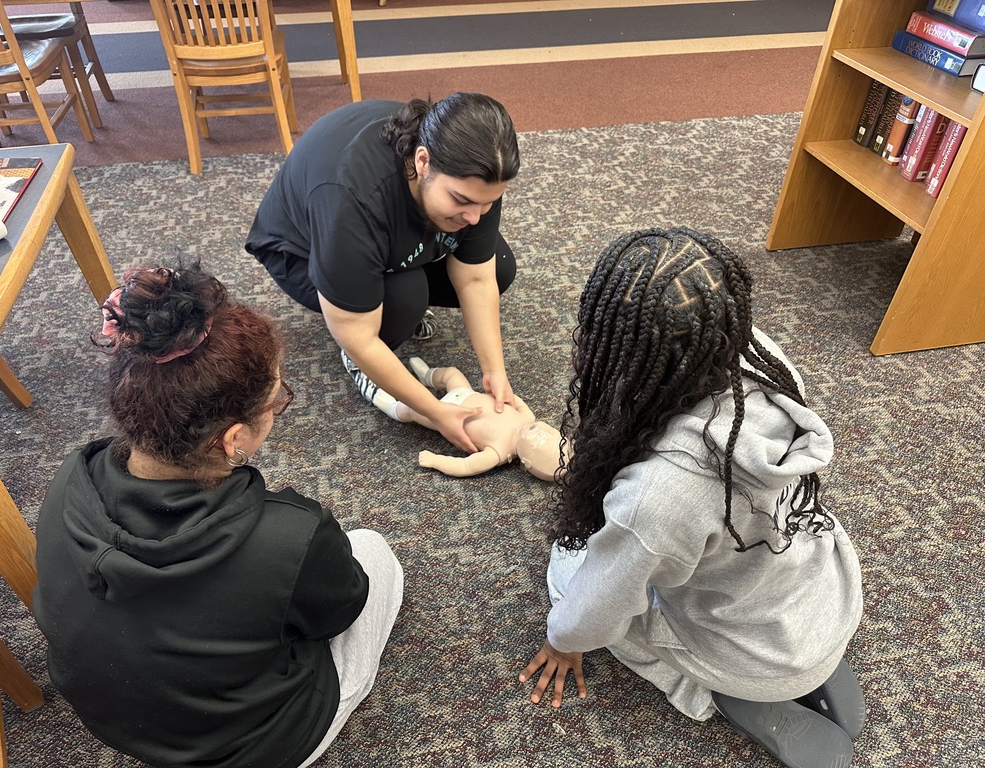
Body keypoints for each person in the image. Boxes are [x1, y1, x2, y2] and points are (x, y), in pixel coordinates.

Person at [32, 263, 404, 768]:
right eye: (276, 398)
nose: (277, 404)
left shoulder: (68, 480)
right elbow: (340, 612)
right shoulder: (290, 535)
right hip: (252, 747)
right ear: (234, 439)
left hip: (115, 724)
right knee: (373, 551)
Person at [518, 229, 866, 768]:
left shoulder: (656, 497)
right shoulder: (761, 358)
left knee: (569, 575)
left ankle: (713, 693)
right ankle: (805, 660)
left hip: (752, 654)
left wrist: (563, 640)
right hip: (828, 595)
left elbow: (600, 607)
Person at [245, 92, 521, 455]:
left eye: (486, 203)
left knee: (498, 265)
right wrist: (435, 412)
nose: (475, 216)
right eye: (462, 201)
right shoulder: (352, 198)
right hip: (300, 252)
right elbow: (358, 334)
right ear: (423, 161)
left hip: (382, 228)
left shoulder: (478, 174)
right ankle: (361, 359)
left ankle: (392, 276)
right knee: (405, 299)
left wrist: (494, 371)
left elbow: (476, 277)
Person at [384, 356, 563, 480]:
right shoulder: (527, 417)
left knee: (414, 410)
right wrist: (503, 395)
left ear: (527, 462)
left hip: (445, 417)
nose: (541, 431)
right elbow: (517, 400)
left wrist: (435, 461)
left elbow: (465, 466)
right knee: (452, 373)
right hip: (463, 392)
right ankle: (427, 375)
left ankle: (393, 408)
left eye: (540, 440)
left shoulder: (498, 452)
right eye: (550, 432)